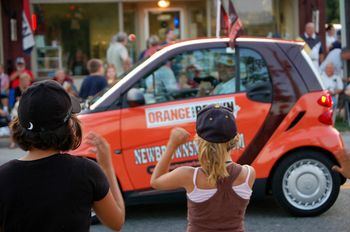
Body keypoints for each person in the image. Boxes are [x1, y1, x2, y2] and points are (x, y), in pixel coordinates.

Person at [0, 80, 125, 231]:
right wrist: (107, 166)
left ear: (20, 125)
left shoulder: (4, 177)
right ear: (68, 126)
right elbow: (116, 222)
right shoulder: (86, 172)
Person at [151, 104, 255, 232]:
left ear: (199, 140)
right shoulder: (248, 174)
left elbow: (156, 181)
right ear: (236, 139)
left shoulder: (189, 176)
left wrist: (172, 145)